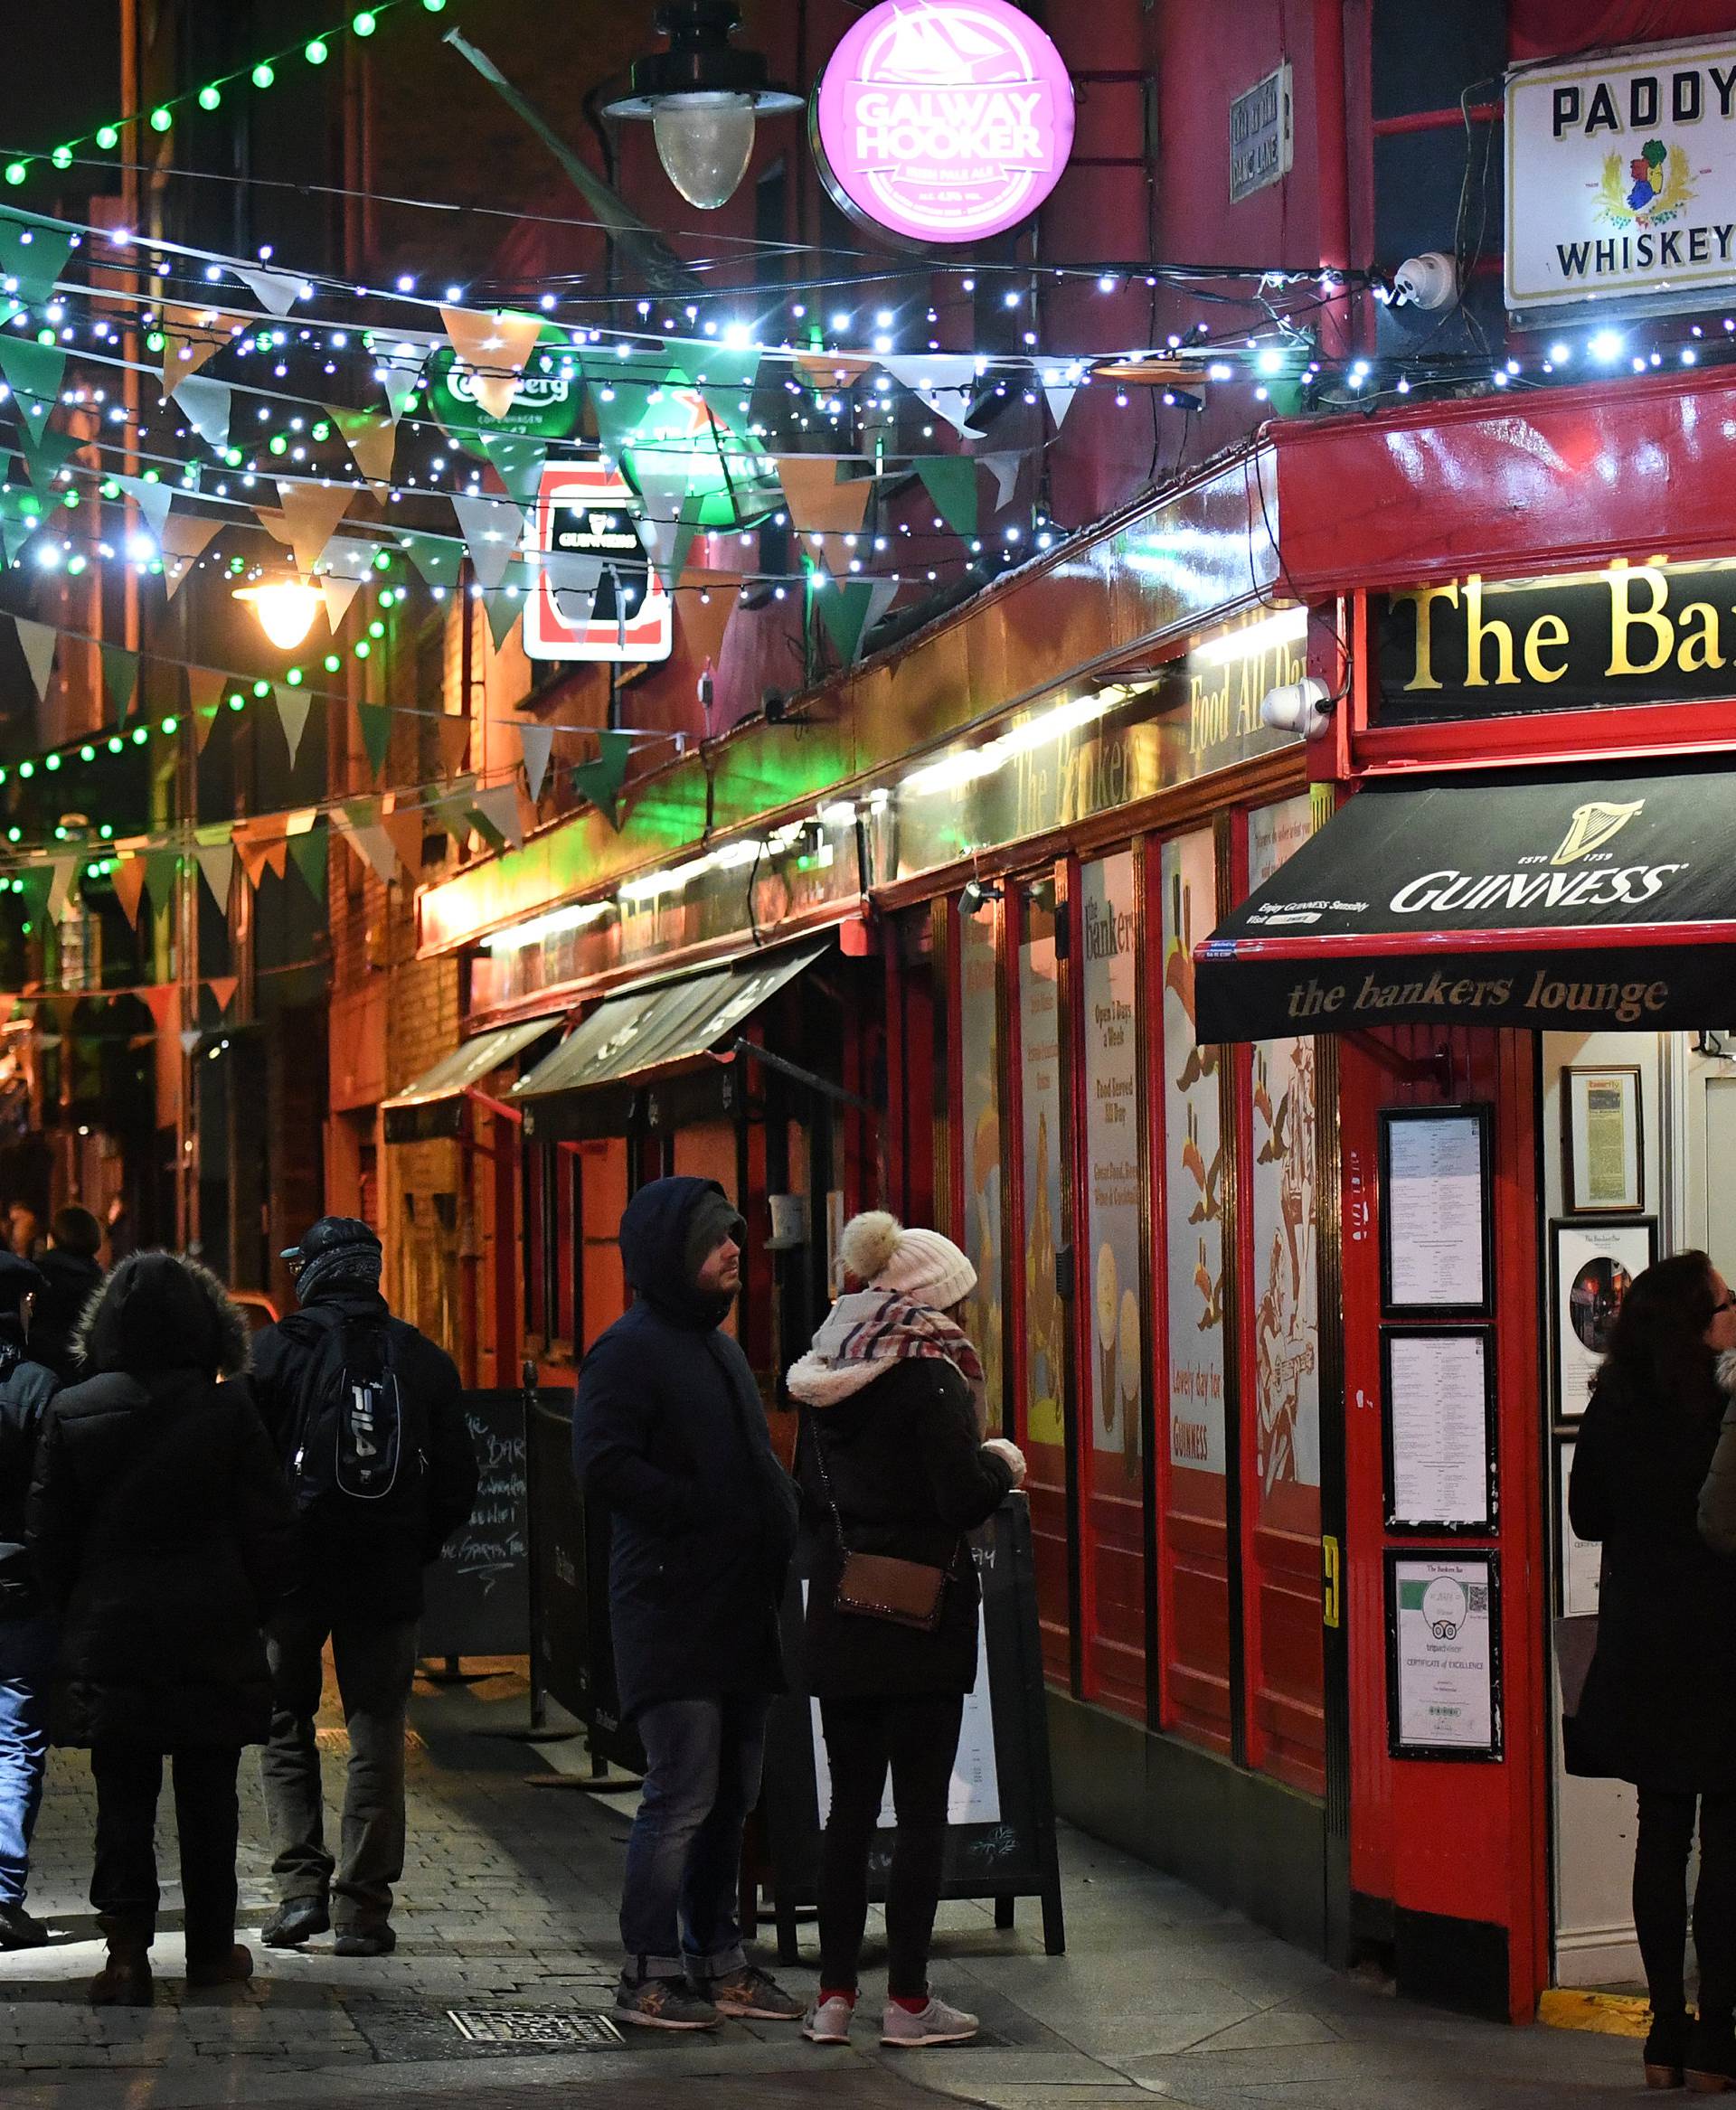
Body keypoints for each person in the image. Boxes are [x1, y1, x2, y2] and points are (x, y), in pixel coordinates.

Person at [25, 1253, 297, 2006]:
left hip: (113, 1634)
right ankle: (210, 1950)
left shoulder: (75, 1410)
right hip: (211, 1630)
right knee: (210, 1794)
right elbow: (271, 1526)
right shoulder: (229, 1412)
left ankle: (125, 1955)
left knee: (123, 1796)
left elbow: (48, 1532)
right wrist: (252, 1604)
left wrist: (77, 1605)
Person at [786, 1210, 1025, 2051]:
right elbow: (961, 1497)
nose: (962, 1320)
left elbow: (807, 1503)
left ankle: (834, 1998)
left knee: (848, 1811)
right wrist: (1002, 1459)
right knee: (920, 1813)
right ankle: (911, 2004)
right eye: (958, 1303)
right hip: (921, 1621)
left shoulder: (823, 1374)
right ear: (931, 1301)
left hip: (843, 1618)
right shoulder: (931, 1379)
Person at [573, 1175, 802, 2032]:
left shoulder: (721, 1348)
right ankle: (648, 1971)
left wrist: (789, 1521)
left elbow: (754, 1470)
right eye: (716, 1240)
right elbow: (601, 1467)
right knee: (681, 1794)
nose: (735, 1250)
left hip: (739, 1610)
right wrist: (698, 1508)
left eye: (736, 1236)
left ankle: (720, 1959)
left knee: (734, 1795)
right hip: (670, 1612)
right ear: (670, 1256)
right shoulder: (628, 1350)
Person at [249, 1216, 477, 1958]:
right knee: (377, 1727)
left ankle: (298, 1893)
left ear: (316, 1272)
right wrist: (416, 1545)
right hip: (386, 1571)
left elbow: (244, 1466)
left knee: (283, 1718)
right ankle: (362, 1910)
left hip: (293, 1570)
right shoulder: (424, 1359)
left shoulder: (277, 1350)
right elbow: (459, 1484)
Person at [1567, 1250, 1736, 2091]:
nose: (1734, 1310)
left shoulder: (1615, 1403)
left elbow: (1587, 1514)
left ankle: (1665, 2033)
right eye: (1725, 1302)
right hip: (1720, 1644)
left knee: (1662, 1829)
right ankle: (1718, 2040)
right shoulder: (1724, 1406)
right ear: (1695, 1322)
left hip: (1644, 1644)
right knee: (1728, 1840)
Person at [0, 1255, 59, 1947]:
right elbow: (56, 1500)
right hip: (21, 1588)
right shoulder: (40, 1386)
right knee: (16, 1743)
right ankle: (4, 1892)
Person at [32, 1206, 104, 1384]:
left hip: (41, 1373)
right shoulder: (103, 1282)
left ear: (52, 1239)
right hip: (88, 1376)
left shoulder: (36, 1277)